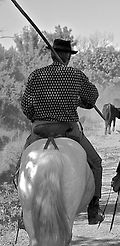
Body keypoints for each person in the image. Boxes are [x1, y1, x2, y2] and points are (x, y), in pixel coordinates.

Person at [20, 38, 104, 225]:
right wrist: (81, 102)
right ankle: (93, 209)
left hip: (40, 129)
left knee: (21, 165)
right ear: (68, 56)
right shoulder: (75, 75)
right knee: (96, 163)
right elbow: (91, 97)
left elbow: (26, 106)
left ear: (51, 54)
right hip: (68, 130)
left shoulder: (36, 76)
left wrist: (37, 115)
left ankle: (22, 211)